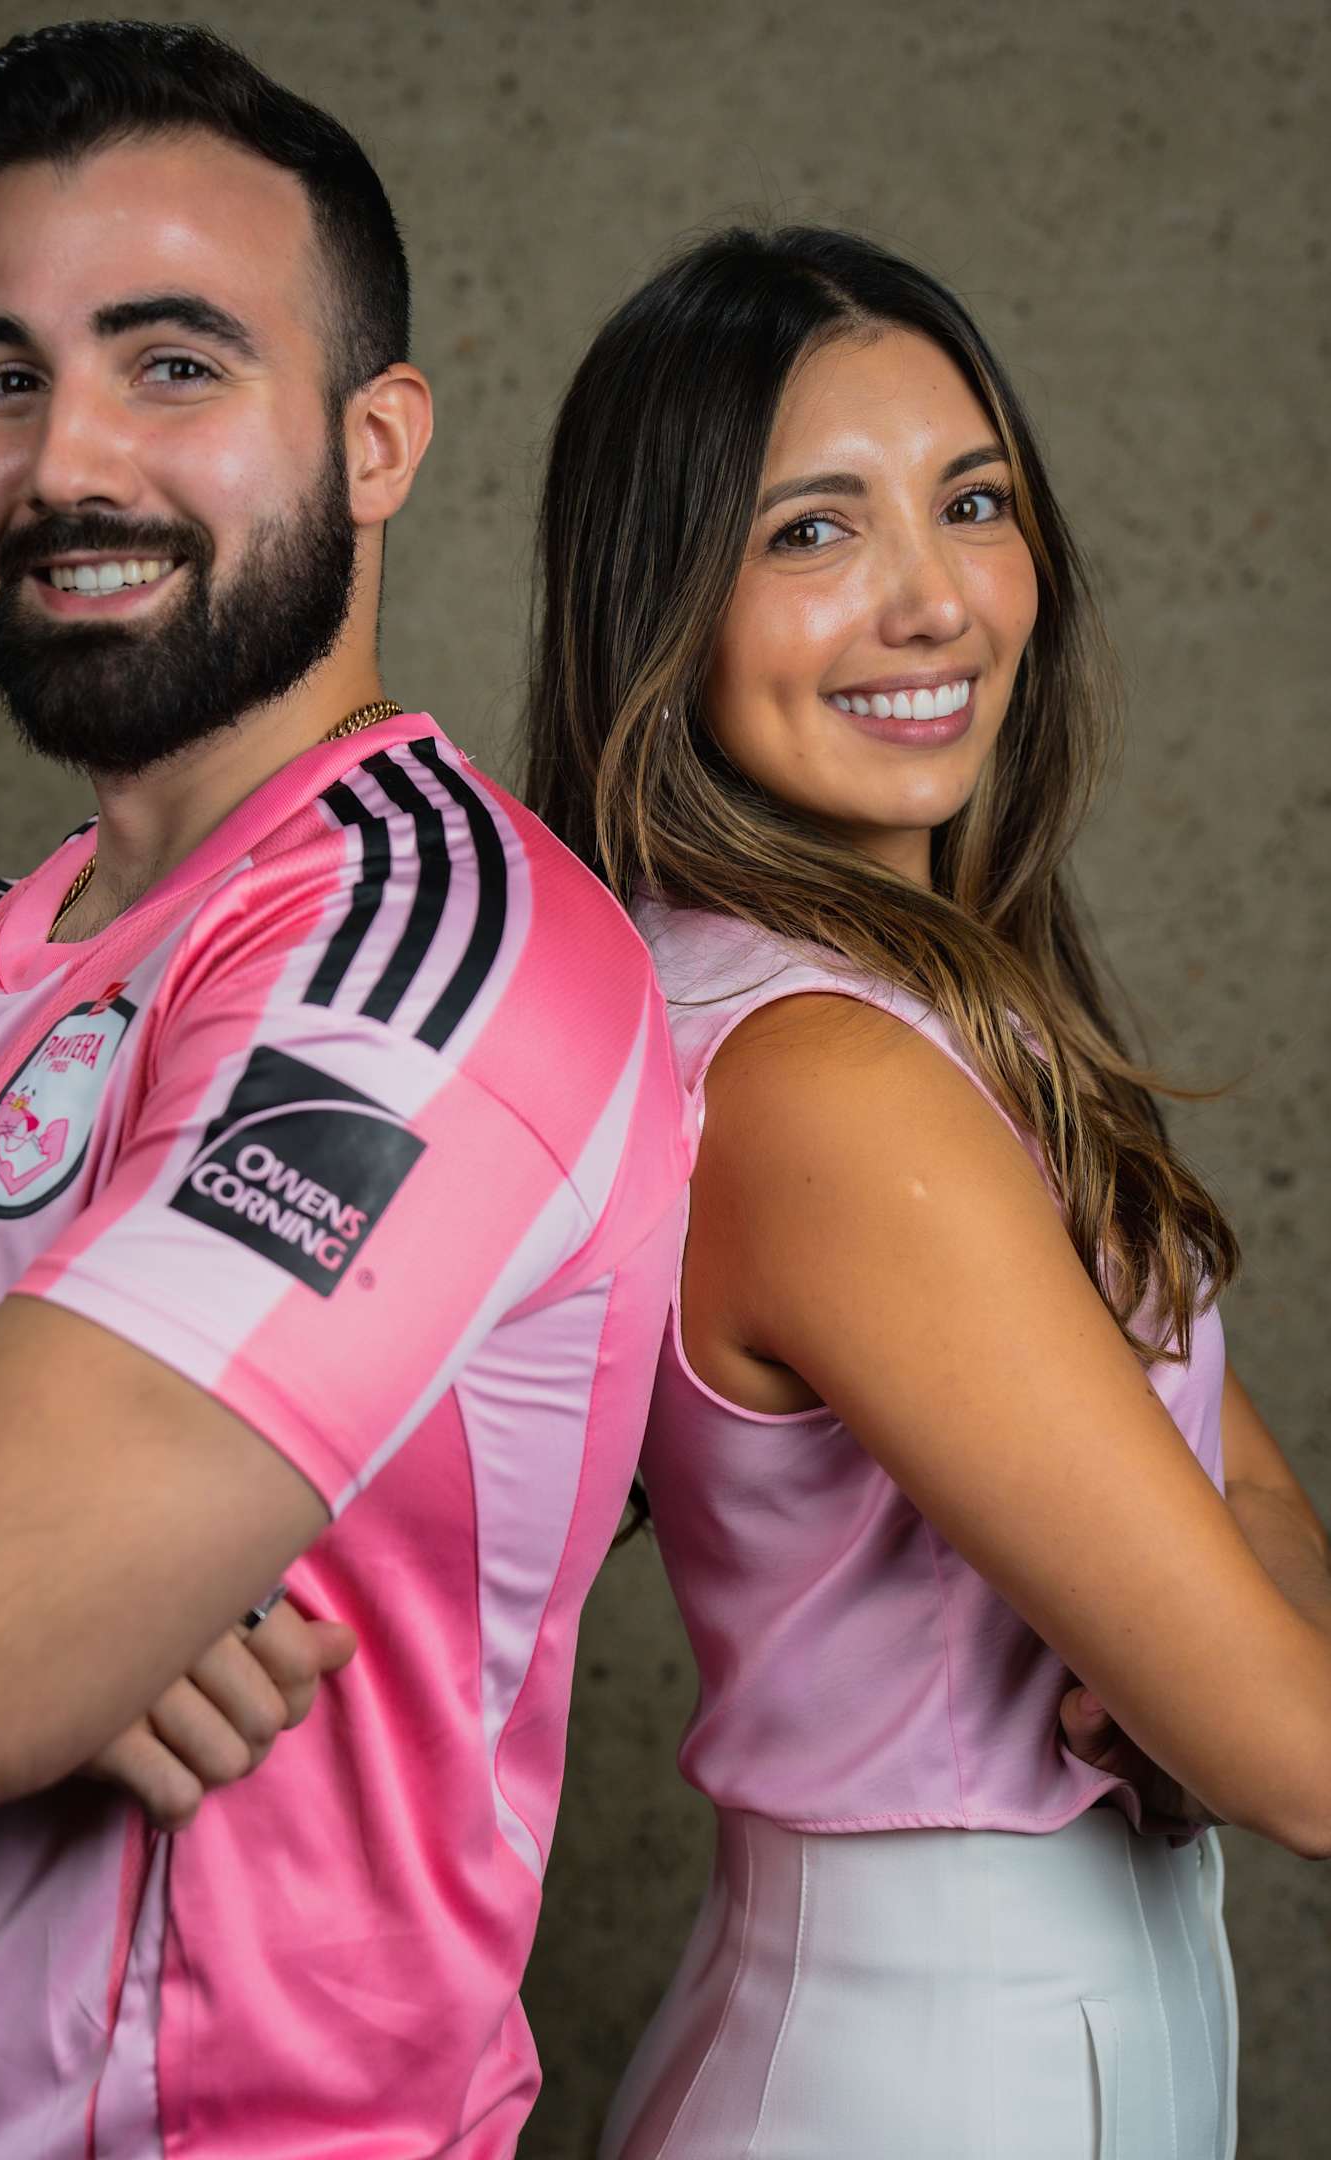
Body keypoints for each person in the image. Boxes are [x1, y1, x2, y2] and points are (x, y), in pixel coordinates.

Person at [0, 22, 689, 2157]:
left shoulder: (440, 949)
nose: (68, 459)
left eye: (175, 364)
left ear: (375, 441)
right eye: (4, 376)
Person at [523, 226, 1331, 2159]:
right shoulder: (823, 1080)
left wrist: (1210, 1647)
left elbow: (1245, 1488)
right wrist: (1231, 1674)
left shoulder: (937, 1012)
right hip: (920, 2075)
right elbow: (1299, 1756)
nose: (933, 601)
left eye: (972, 502)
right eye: (813, 532)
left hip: (1048, 2041)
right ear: (667, 601)